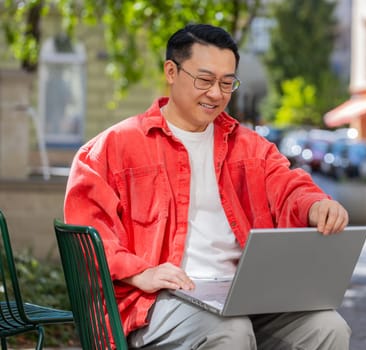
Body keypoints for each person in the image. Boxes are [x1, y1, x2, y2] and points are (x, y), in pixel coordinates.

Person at [64, 23, 351, 350]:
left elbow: (289, 187)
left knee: (328, 327)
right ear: (171, 72)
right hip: (158, 300)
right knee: (230, 331)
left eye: (227, 82)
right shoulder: (111, 149)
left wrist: (316, 205)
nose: (216, 93)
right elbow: (86, 232)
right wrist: (139, 272)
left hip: (245, 296)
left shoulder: (251, 148)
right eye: (205, 80)